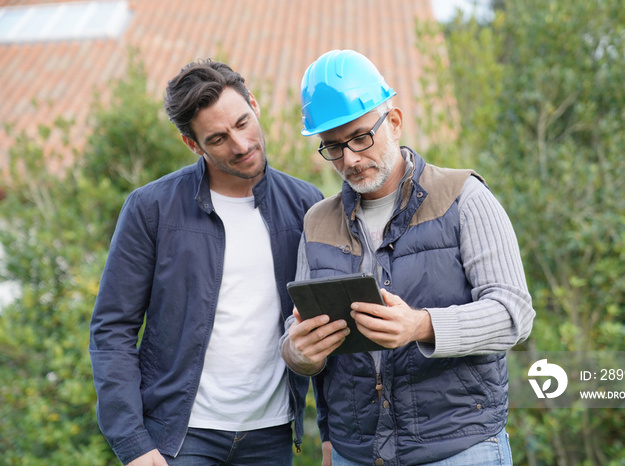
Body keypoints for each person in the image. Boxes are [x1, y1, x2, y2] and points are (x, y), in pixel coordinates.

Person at [281, 49, 536, 466]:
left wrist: (421, 326)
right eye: (332, 147)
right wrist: (299, 352)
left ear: (394, 122)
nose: (350, 159)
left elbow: (513, 315)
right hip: (355, 454)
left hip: (459, 450)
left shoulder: (465, 198)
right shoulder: (316, 222)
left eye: (361, 137)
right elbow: (300, 337)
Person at [89, 59, 323, 466]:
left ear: (254, 104)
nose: (241, 144)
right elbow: (112, 329)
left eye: (243, 122)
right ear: (192, 144)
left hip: (272, 436)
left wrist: (334, 437)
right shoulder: (151, 209)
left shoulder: (306, 205)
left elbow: (325, 328)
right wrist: (134, 445)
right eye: (217, 138)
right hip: (181, 438)